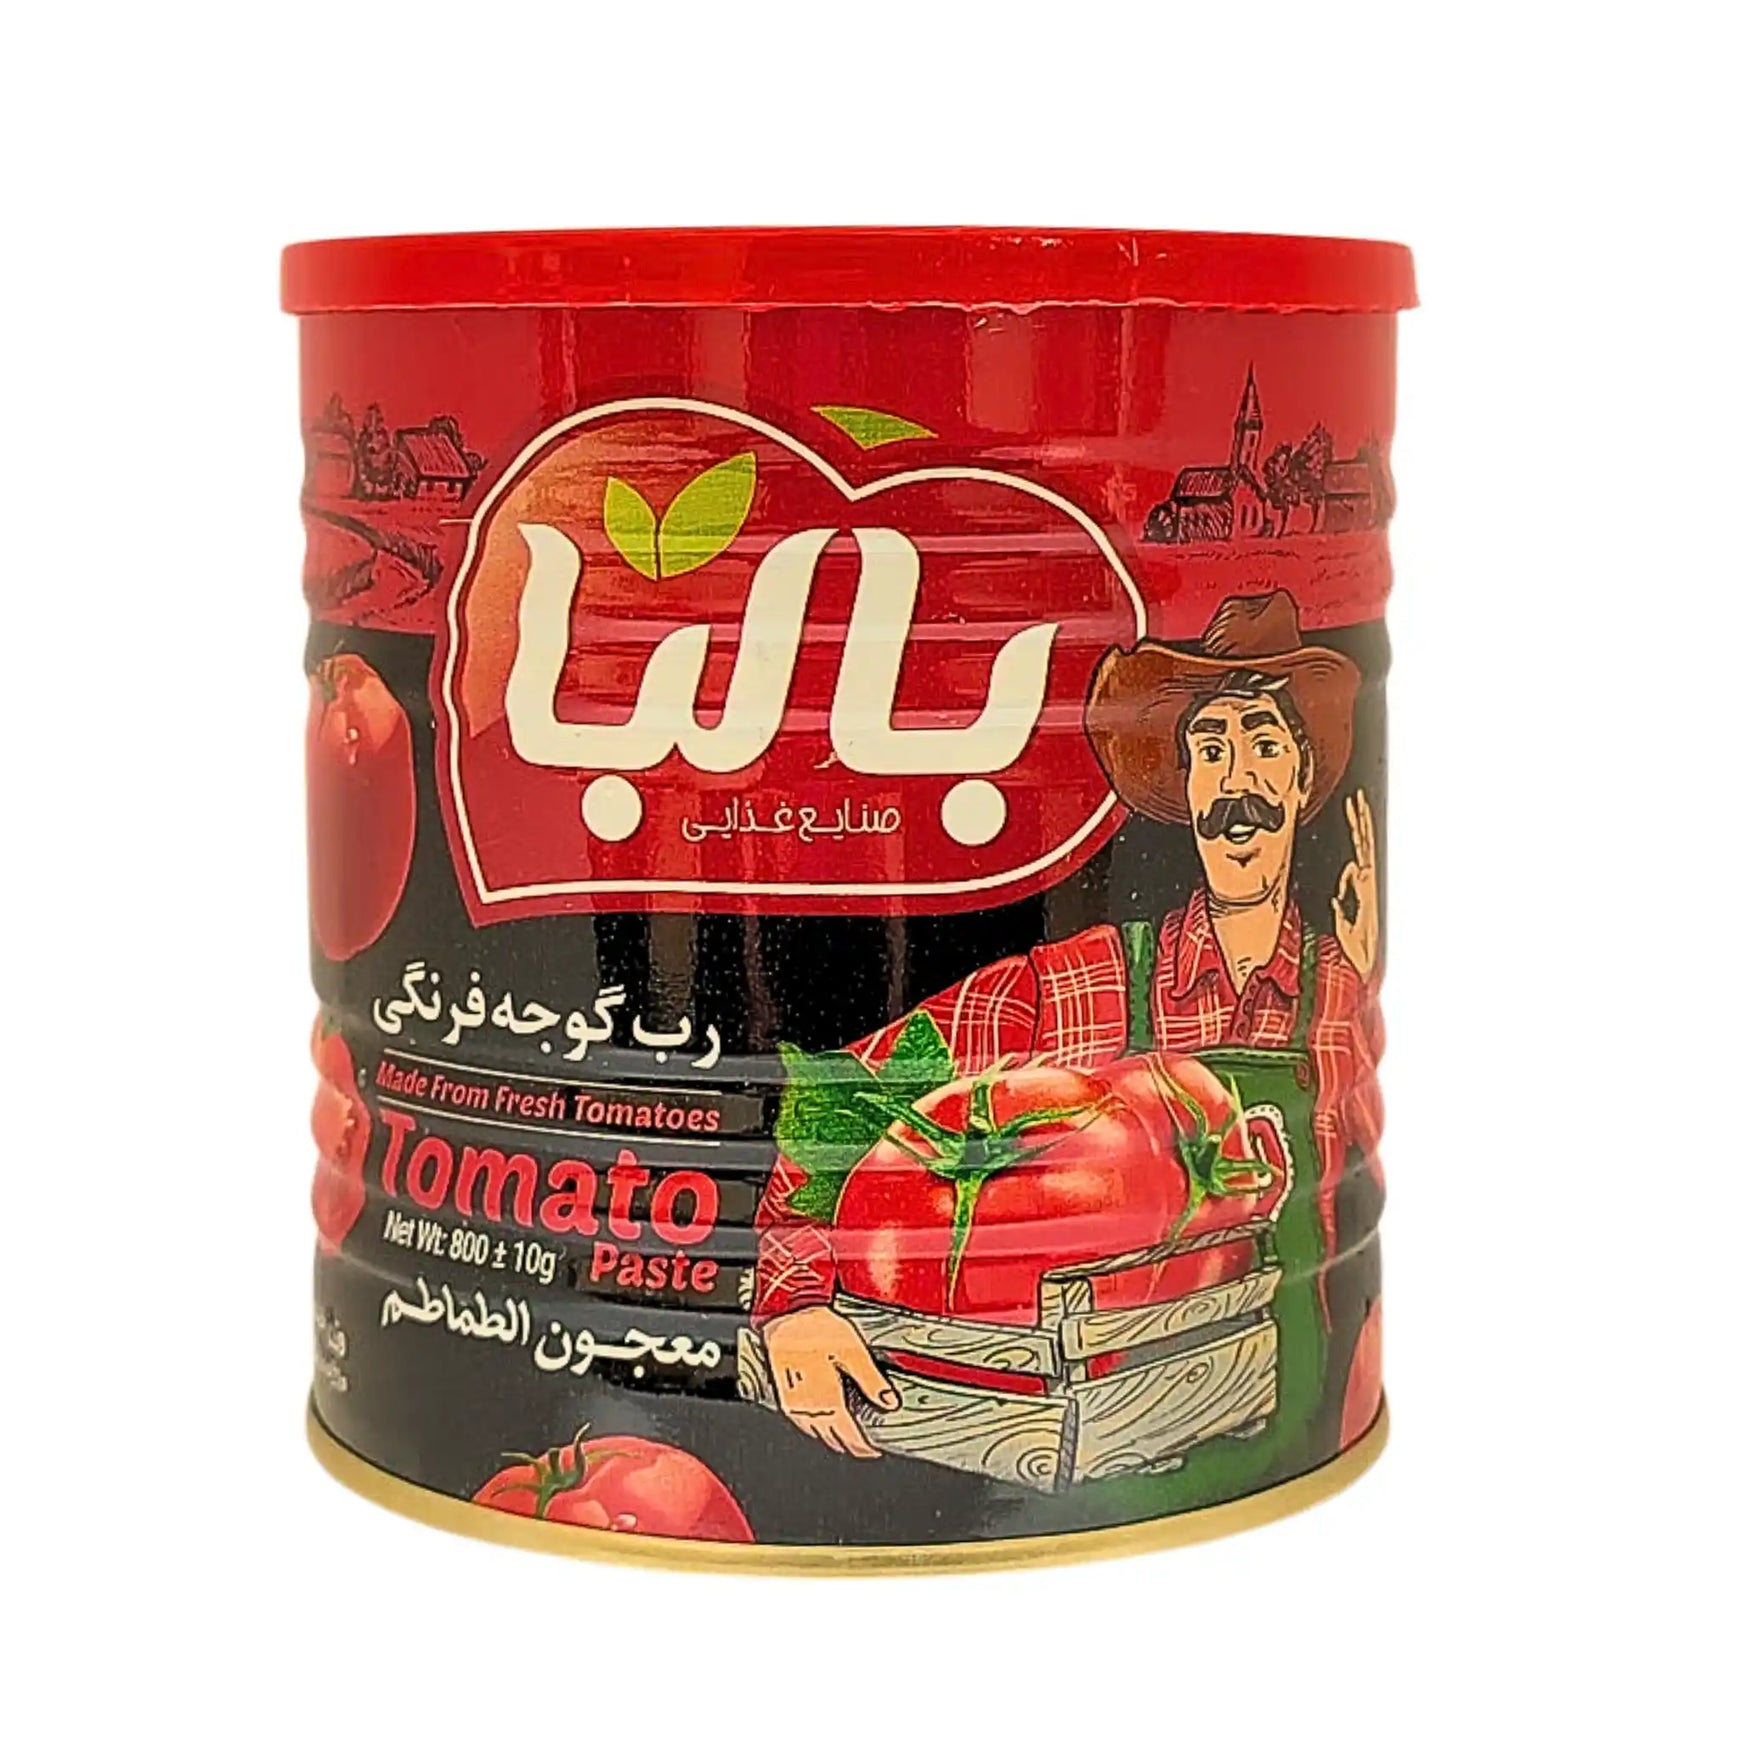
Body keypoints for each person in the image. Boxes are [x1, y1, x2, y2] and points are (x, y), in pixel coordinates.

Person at [752, 591, 1384, 1460]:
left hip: (1299, 1432)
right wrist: (795, 1304)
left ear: (1305, 779)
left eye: (1266, 746)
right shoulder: (1082, 985)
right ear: (1187, 787)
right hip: (1102, 1452)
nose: (1238, 784)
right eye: (1211, 750)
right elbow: (849, 1102)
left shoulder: (1339, 991)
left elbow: (1358, 1189)